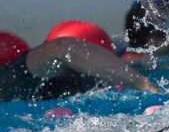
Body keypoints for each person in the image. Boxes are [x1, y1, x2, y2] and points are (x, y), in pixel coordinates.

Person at [0, 29, 158, 102]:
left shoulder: (14, 78)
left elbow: (63, 47)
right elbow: (63, 47)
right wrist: (146, 86)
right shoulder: (14, 76)